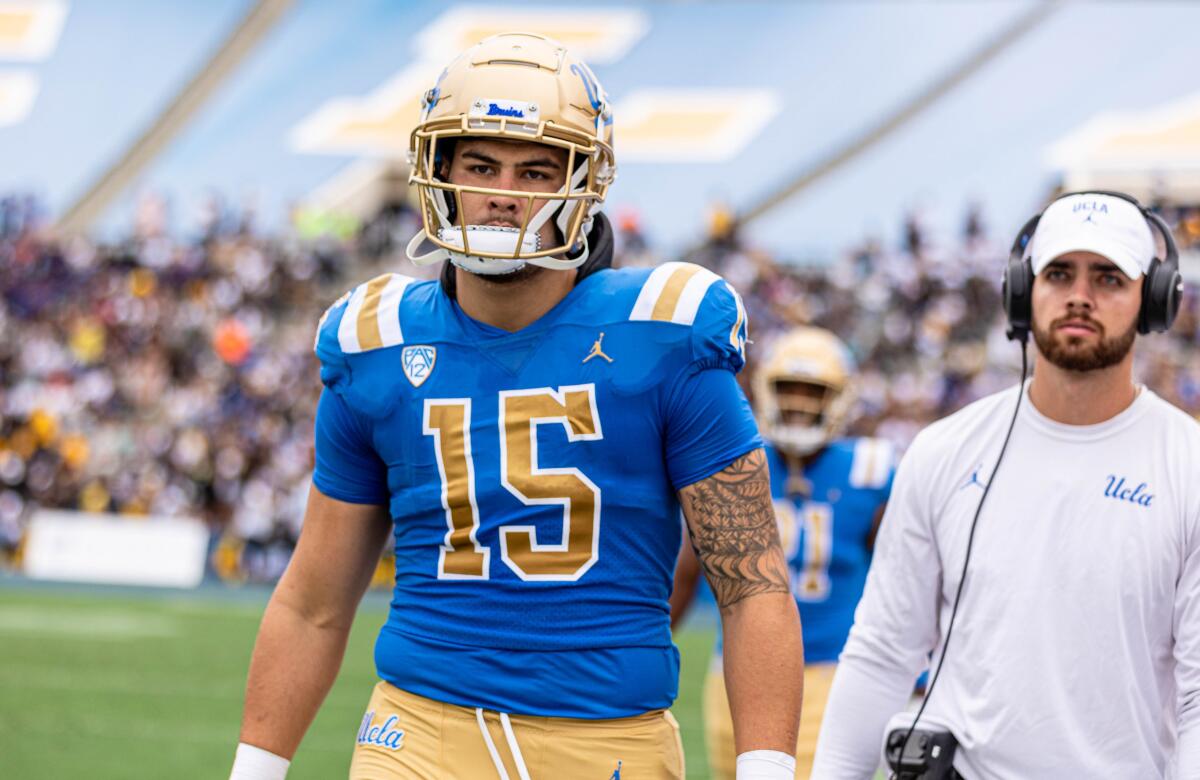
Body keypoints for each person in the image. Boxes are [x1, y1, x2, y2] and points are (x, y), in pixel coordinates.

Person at [229, 32, 803, 780]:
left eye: (536, 170)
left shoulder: (664, 336)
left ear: (585, 186)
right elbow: (313, 603)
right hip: (416, 732)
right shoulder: (375, 345)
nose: (505, 190)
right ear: (438, 172)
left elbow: (752, 587)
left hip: (609, 741)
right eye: (480, 164)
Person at [811, 191, 1200, 779]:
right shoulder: (944, 450)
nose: (1079, 296)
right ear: (1023, 291)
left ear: (1152, 300)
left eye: (1109, 278)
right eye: (1059, 273)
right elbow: (884, 653)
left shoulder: (1188, 466)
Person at [671, 326, 894, 779]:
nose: (798, 402)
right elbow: (687, 572)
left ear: (841, 398)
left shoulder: (870, 471)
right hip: (737, 669)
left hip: (830, 672)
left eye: (813, 391)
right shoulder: (735, 461)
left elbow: (900, 581)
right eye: (787, 389)